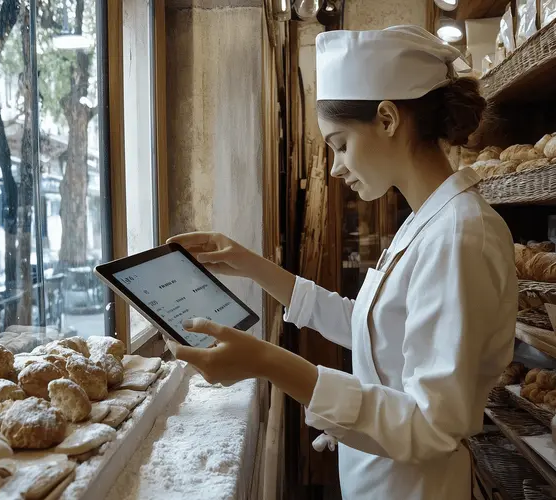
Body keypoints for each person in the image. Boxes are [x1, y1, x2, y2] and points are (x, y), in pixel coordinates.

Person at [167, 25, 516, 499]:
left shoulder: (460, 235)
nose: (334, 167)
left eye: (341, 144)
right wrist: (248, 263)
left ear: (388, 119)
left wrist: (269, 362)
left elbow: (432, 425)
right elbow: (372, 328)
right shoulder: (426, 221)